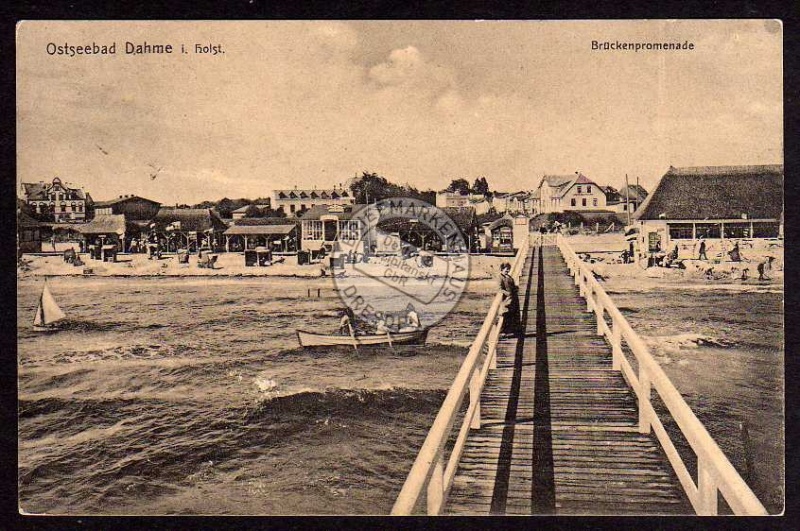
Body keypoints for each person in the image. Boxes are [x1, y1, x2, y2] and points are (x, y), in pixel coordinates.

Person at [499, 262, 521, 338]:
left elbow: (512, 285)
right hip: (508, 299)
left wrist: (516, 288)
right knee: (507, 314)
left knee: (515, 314)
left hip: (514, 298)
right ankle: (504, 332)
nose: (507, 271)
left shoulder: (508, 276)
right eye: (506, 269)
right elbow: (500, 289)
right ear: (502, 269)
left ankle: (514, 331)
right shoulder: (501, 277)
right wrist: (507, 293)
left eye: (508, 269)